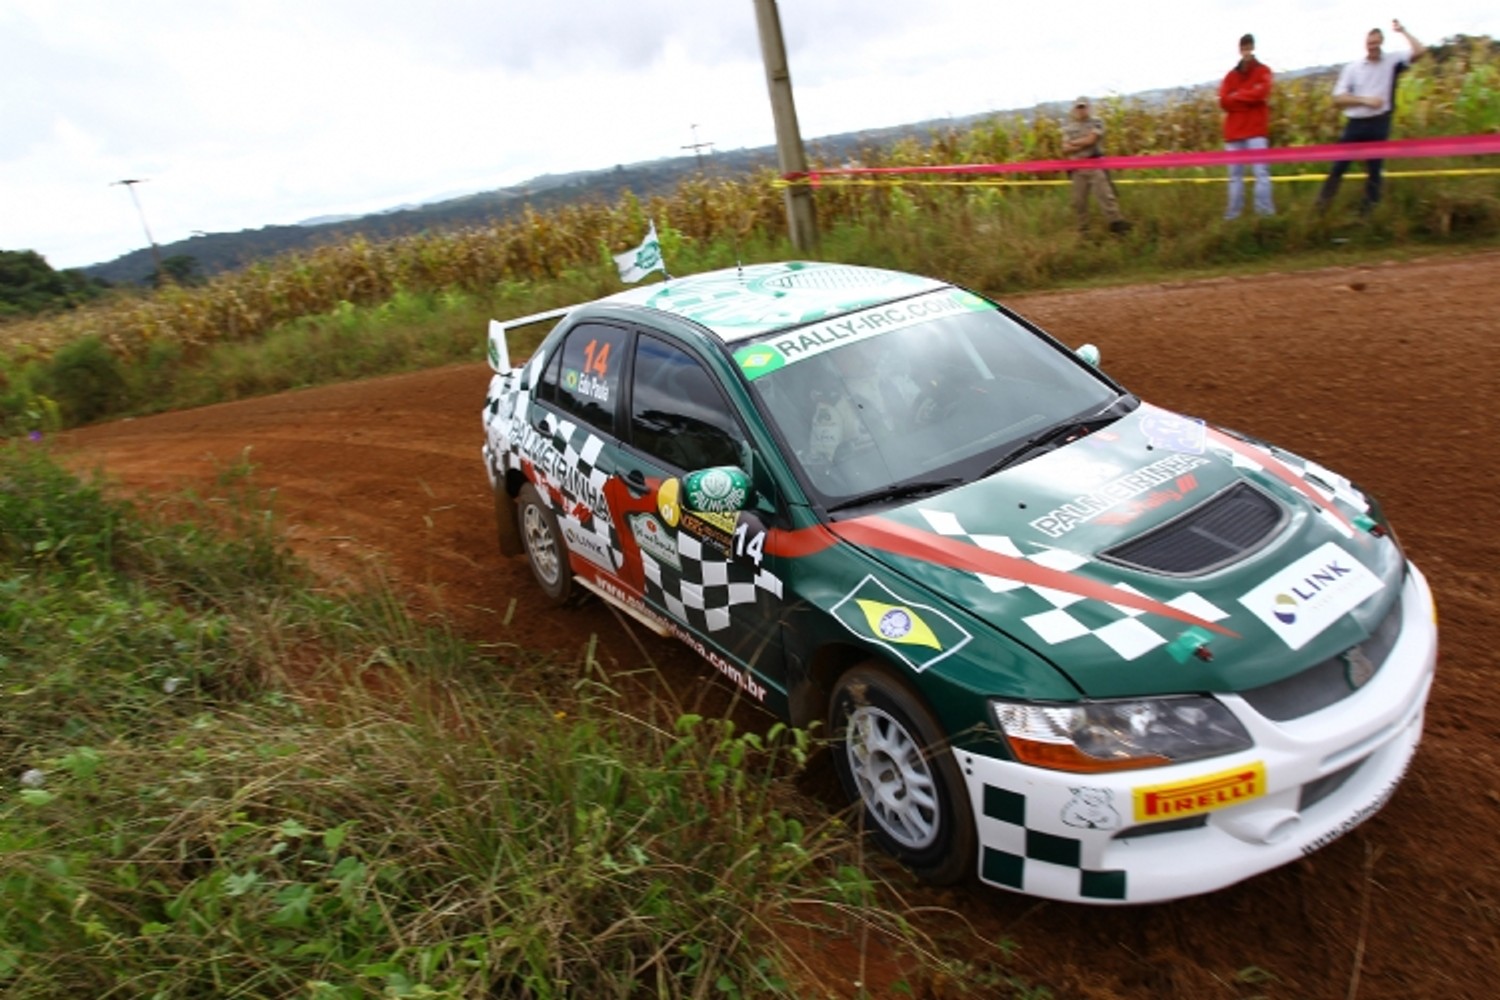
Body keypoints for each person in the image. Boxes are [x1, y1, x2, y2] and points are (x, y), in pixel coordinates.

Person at [1316, 19, 1426, 214]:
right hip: (1355, 124)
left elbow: (1419, 52)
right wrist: (1365, 101)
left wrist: (1403, 31)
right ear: (1365, 44)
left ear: (1381, 43)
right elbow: (1338, 98)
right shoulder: (1353, 68)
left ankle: (1368, 215)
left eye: (1376, 43)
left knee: (1375, 171)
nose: (1373, 47)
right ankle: (1321, 210)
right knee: (1339, 167)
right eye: (1370, 43)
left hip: (1379, 123)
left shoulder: (1392, 61)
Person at [1219, 33, 1275, 219]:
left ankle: (1265, 215)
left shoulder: (1264, 71)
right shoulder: (1230, 76)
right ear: (1240, 50)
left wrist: (1237, 95)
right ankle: (1233, 215)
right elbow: (1224, 102)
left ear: (1253, 48)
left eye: (1249, 47)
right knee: (1235, 176)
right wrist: (1248, 96)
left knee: (1261, 173)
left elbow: (1262, 94)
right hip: (1234, 133)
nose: (1247, 51)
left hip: (1256, 131)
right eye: (1244, 47)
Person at [1061, 97, 1131, 235]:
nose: (1081, 110)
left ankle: (1116, 224)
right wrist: (1081, 143)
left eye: (1083, 107)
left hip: (1094, 164)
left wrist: (1074, 143)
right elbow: (1064, 149)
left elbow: (1091, 140)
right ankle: (1083, 230)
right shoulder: (1069, 127)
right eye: (1078, 107)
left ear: (1089, 107)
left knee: (1105, 196)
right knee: (1079, 201)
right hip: (1077, 168)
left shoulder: (1096, 122)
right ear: (1074, 109)